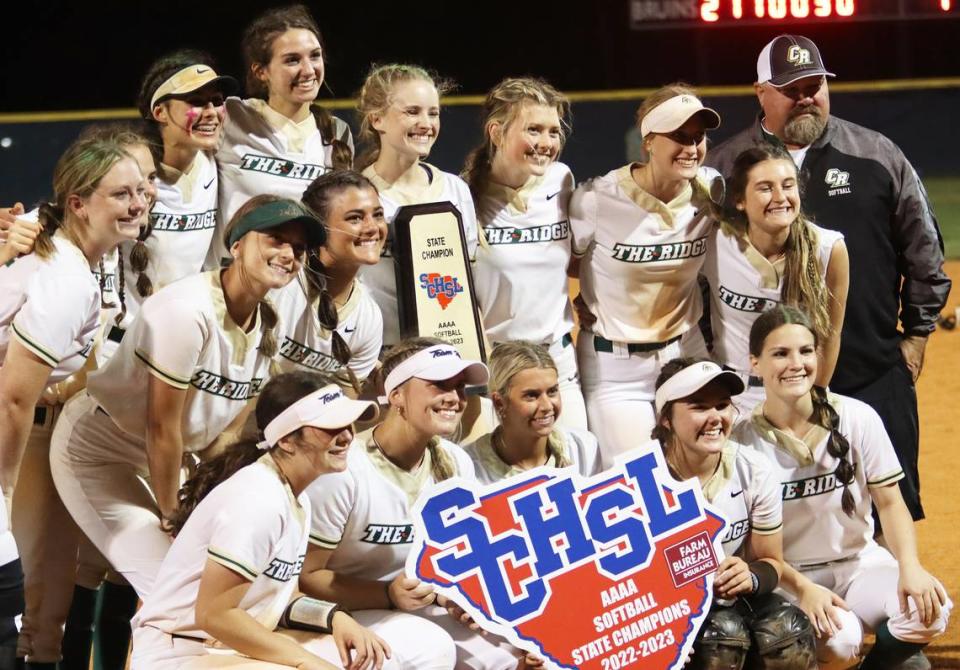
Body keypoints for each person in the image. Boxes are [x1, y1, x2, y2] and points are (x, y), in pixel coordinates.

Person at [706, 34, 952, 522]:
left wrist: (918, 335)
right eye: (792, 88)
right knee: (779, 513)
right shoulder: (727, 168)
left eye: (814, 85)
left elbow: (924, 247)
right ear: (762, 93)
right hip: (768, 384)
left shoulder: (876, 153)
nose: (806, 97)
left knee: (887, 505)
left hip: (870, 365)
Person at [50, 195, 322, 600]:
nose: (288, 254)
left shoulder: (268, 323)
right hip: (100, 452)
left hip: (168, 461)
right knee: (176, 589)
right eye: (276, 239)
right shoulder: (186, 311)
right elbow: (161, 427)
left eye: (298, 248)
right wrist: (174, 516)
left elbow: (225, 436)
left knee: (210, 580)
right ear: (237, 245)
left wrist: (220, 502)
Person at [132, 370, 453, 669]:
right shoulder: (257, 499)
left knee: (426, 643)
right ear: (285, 439)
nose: (345, 437)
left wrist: (333, 617)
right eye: (329, 427)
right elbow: (213, 614)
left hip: (232, 641)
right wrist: (305, 661)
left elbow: (278, 596)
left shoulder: (295, 495)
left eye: (347, 425)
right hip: (180, 650)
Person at [734, 305, 952, 669]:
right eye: (780, 354)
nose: (796, 363)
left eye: (805, 351)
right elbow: (756, 548)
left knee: (931, 609)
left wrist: (909, 565)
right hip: (793, 578)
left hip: (860, 565)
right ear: (754, 363)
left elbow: (890, 502)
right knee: (840, 645)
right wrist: (802, 588)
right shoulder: (741, 440)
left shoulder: (857, 416)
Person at [0, 137, 147, 669]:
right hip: (15, 431)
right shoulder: (64, 276)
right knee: (18, 600)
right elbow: (13, 396)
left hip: (36, 424)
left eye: (141, 191)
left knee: (38, 601)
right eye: (121, 194)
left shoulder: (68, 257)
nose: (137, 203)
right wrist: (5, 486)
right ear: (79, 203)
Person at [300, 339, 530, 669]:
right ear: (396, 396)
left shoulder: (456, 462)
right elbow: (306, 578)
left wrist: (460, 597)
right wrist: (388, 595)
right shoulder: (344, 471)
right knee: (430, 649)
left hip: (418, 606)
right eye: (439, 385)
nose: (455, 398)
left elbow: (455, 561)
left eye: (460, 387)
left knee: (514, 656)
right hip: (347, 610)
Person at [569, 83, 722, 468]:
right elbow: (566, 262)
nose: (691, 147)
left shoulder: (711, 191)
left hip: (686, 351)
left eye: (698, 137)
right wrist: (584, 296)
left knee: (704, 473)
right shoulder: (597, 199)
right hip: (615, 367)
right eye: (678, 136)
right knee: (638, 484)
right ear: (649, 141)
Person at [650, 357, 817, 669]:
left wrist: (751, 576)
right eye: (699, 406)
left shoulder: (753, 469)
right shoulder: (640, 485)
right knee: (720, 639)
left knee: (785, 633)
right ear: (666, 419)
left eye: (723, 405)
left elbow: (772, 562)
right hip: (668, 611)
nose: (715, 417)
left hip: (736, 602)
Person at [464, 77, 587, 429]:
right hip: (499, 369)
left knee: (577, 470)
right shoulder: (464, 198)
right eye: (534, 130)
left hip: (557, 364)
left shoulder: (561, 180)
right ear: (496, 132)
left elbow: (577, 259)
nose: (546, 143)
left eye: (553, 131)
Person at [702, 144, 849, 413]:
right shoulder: (716, 241)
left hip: (797, 395)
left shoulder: (828, 248)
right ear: (740, 200)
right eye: (765, 188)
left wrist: (815, 398)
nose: (780, 197)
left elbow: (830, 337)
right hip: (732, 396)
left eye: (788, 185)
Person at [213, 4, 353, 267]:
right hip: (238, 283)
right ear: (260, 71)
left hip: (305, 283)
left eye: (315, 56)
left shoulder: (337, 133)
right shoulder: (232, 118)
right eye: (292, 60)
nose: (309, 69)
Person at [355, 64, 478, 346]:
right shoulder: (355, 193)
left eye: (433, 113)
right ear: (377, 119)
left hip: (444, 353)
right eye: (412, 112)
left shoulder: (454, 189)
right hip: (376, 355)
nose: (426, 123)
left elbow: (468, 288)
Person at [125, 50, 238, 326]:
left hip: (180, 334)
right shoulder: (126, 170)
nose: (211, 112)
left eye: (217, 101)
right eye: (196, 102)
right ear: (160, 111)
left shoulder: (214, 161)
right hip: (120, 339)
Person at [274, 170, 385, 391]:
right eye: (355, 218)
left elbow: (341, 409)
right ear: (318, 230)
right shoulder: (279, 286)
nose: (373, 227)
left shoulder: (369, 317)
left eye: (378, 214)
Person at [464, 341, 600, 482]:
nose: (547, 406)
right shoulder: (469, 469)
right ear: (499, 402)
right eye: (531, 395)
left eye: (552, 391)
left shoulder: (583, 448)